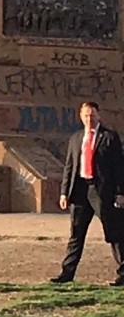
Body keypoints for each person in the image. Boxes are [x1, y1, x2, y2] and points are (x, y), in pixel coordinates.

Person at [50, 101, 124, 286]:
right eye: (85, 116)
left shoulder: (110, 137)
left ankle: (122, 274)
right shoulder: (75, 138)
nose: (89, 119)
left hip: (102, 191)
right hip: (80, 191)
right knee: (76, 234)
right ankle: (66, 274)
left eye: (92, 115)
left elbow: (119, 168)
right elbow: (69, 167)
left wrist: (120, 193)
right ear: (80, 116)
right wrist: (64, 193)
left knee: (114, 232)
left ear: (98, 116)